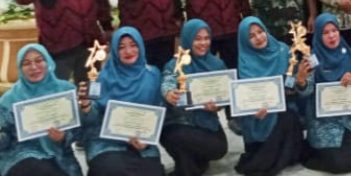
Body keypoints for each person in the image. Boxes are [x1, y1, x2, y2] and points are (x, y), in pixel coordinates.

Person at [78, 27, 165, 176]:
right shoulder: (101, 78)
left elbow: (159, 110)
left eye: (133, 45)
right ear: (114, 51)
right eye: (121, 47)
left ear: (141, 46)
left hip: (141, 143)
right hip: (107, 142)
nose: (128, 51)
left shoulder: (153, 75)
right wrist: (86, 105)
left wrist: (147, 139)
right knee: (111, 169)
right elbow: (91, 120)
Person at [301, 14, 351, 173]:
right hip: (324, 120)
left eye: (334, 30)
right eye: (325, 32)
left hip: (350, 116)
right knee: (338, 163)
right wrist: (301, 79)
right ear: (318, 35)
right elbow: (306, 91)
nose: (331, 36)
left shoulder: (350, 54)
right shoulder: (312, 59)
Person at [234, 17, 310, 175]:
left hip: (283, 105)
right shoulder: (245, 60)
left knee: (288, 116)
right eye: (251, 36)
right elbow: (245, 95)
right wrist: (253, 110)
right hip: (259, 114)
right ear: (245, 41)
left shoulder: (282, 50)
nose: (258, 37)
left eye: (260, 31)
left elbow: (290, 84)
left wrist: (297, 81)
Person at [0, 44, 82, 176]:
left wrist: (63, 137)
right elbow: (5, 138)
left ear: (48, 62)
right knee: (38, 169)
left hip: (59, 154)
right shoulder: (9, 98)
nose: (33, 67)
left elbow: (80, 131)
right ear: (20, 68)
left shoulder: (66, 90)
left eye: (39, 60)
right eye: (26, 63)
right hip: (21, 154)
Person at [160, 19, 228, 176]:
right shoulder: (176, 64)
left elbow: (224, 95)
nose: (203, 43)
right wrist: (169, 93)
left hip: (206, 123)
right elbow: (168, 80)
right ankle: (189, 168)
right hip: (179, 123)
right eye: (197, 39)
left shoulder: (217, 64)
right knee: (175, 136)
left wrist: (217, 106)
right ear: (187, 39)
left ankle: (193, 164)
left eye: (207, 38)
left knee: (219, 148)